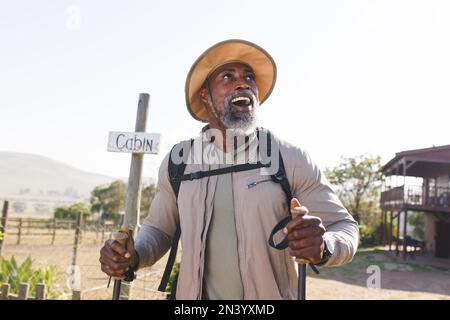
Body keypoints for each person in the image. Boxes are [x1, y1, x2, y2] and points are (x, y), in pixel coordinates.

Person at [100, 39, 359, 300]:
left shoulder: (289, 158)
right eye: (228, 76)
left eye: (249, 77)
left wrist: (324, 246)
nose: (243, 83)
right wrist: (131, 257)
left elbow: (344, 227)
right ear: (205, 95)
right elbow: (159, 229)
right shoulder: (179, 162)